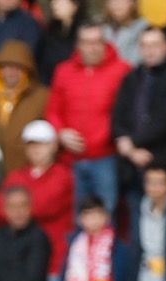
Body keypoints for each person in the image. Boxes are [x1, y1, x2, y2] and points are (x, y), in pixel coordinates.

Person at [47, 22, 132, 217]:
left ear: (105, 43)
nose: (92, 48)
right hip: (71, 159)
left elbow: (128, 112)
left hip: (106, 157)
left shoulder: (122, 70)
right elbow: (52, 111)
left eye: (96, 42)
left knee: (106, 215)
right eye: (86, 42)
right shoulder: (63, 71)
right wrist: (61, 132)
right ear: (78, 45)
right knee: (75, 217)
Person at [0, 120, 77, 281]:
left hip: (54, 259)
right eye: (31, 144)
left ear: (53, 146)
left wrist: (16, 209)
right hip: (19, 260)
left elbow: (46, 206)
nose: (36, 149)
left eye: (41, 144)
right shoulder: (15, 176)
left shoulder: (63, 175)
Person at [112, 27, 166, 196]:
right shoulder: (131, 78)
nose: (149, 51)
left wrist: (132, 145)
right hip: (132, 168)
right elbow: (118, 116)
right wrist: (129, 148)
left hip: (165, 163)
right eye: (144, 46)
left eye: (155, 45)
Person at [0, 42, 52, 177]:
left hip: (28, 173)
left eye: (17, 67)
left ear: (27, 70)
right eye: (6, 67)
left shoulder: (42, 98)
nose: (11, 72)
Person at [38, 0, 85, 85]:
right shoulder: (50, 32)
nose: (54, 4)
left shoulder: (84, 33)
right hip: (50, 87)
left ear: (75, 5)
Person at [102, 0, 152, 67]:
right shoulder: (101, 28)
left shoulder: (144, 28)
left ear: (133, 3)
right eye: (112, 1)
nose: (117, 4)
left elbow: (135, 62)